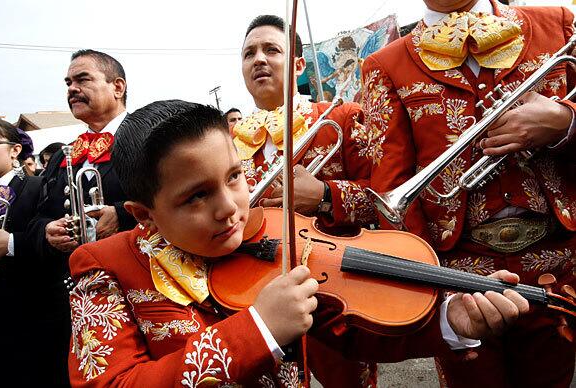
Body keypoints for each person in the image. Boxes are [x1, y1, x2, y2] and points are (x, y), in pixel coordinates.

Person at [66, 99, 529, 387]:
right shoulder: (103, 264)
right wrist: (259, 329)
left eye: (235, 177)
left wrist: (450, 321)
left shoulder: (275, 231)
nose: (230, 207)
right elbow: (110, 383)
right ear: (144, 215)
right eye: (196, 196)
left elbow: (349, 330)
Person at [363, 1, 576, 387]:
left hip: (560, 269)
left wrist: (565, 121)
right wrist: (437, 300)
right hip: (460, 286)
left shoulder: (559, 25)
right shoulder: (384, 65)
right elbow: (391, 190)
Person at [237, 14, 386, 384]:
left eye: (272, 49)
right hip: (254, 296)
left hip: (336, 293)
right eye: (248, 53)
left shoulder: (342, 117)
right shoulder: (226, 141)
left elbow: (388, 201)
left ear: (298, 64)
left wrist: (324, 195)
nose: (258, 59)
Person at [27, 49, 135, 386]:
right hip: (68, 300)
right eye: (68, 82)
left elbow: (177, 202)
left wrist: (121, 214)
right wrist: (47, 231)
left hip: (134, 293)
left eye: (82, 79)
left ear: (117, 87)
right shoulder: (65, 153)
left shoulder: (147, 137)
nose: (72, 88)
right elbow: (34, 219)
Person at [0, 119, 50, 385]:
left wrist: (11, 243)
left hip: (24, 305)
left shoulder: (37, 186)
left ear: (15, 151)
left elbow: (51, 238)